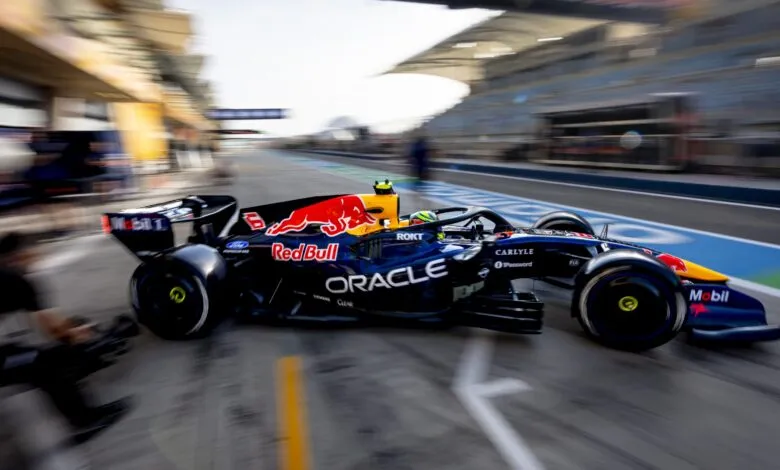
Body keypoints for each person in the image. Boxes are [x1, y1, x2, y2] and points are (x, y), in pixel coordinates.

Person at [0, 232, 131, 445]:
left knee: (37, 356)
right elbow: (56, 331)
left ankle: (86, 411)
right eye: (31, 254)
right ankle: (85, 421)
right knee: (42, 364)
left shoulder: (7, 278)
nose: (35, 260)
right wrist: (84, 333)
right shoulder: (16, 281)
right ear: (19, 255)